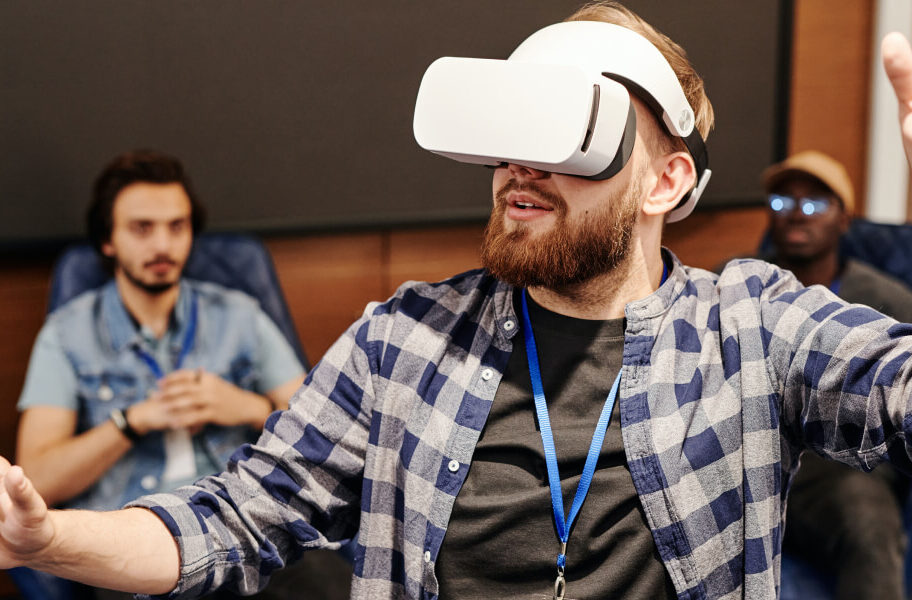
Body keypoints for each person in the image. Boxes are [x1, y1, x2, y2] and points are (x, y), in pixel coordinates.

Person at [4, 4, 912, 600]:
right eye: (513, 130)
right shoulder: (405, 342)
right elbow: (233, 519)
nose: (521, 165)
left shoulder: (750, 326)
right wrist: (44, 541)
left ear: (664, 182)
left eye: (569, 133)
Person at [10, 150, 306, 598]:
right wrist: (130, 423)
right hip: (130, 544)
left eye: (177, 227)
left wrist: (250, 407)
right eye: (142, 228)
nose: (163, 246)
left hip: (242, 529)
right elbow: (38, 479)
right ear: (108, 240)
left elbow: (319, 434)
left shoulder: (241, 316)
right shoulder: (66, 335)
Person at [761, 150, 912, 600]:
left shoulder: (888, 299)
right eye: (782, 202)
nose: (796, 214)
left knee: (867, 518)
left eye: (814, 203)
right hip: (750, 456)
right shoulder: (737, 284)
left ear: (844, 220)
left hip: (840, 470)